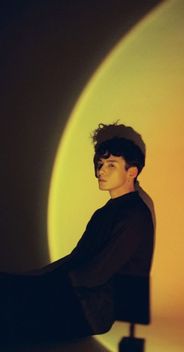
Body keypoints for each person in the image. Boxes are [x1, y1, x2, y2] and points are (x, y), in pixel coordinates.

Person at [0, 123, 154, 346]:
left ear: (132, 172)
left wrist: (43, 284)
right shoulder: (106, 213)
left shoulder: (133, 216)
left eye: (111, 165)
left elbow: (96, 273)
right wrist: (38, 277)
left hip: (94, 308)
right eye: (100, 164)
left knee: (13, 315)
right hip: (81, 297)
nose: (100, 171)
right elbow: (78, 259)